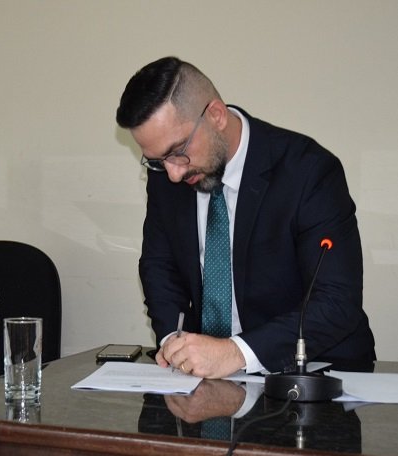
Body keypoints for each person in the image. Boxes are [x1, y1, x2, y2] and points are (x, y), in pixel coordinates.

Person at [116, 57, 375, 379]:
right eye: (157, 160)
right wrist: (173, 341)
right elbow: (159, 266)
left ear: (216, 115)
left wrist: (235, 353)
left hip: (316, 371)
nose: (173, 173)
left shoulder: (308, 171)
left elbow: (337, 302)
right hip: (208, 379)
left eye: (178, 151)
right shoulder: (168, 175)